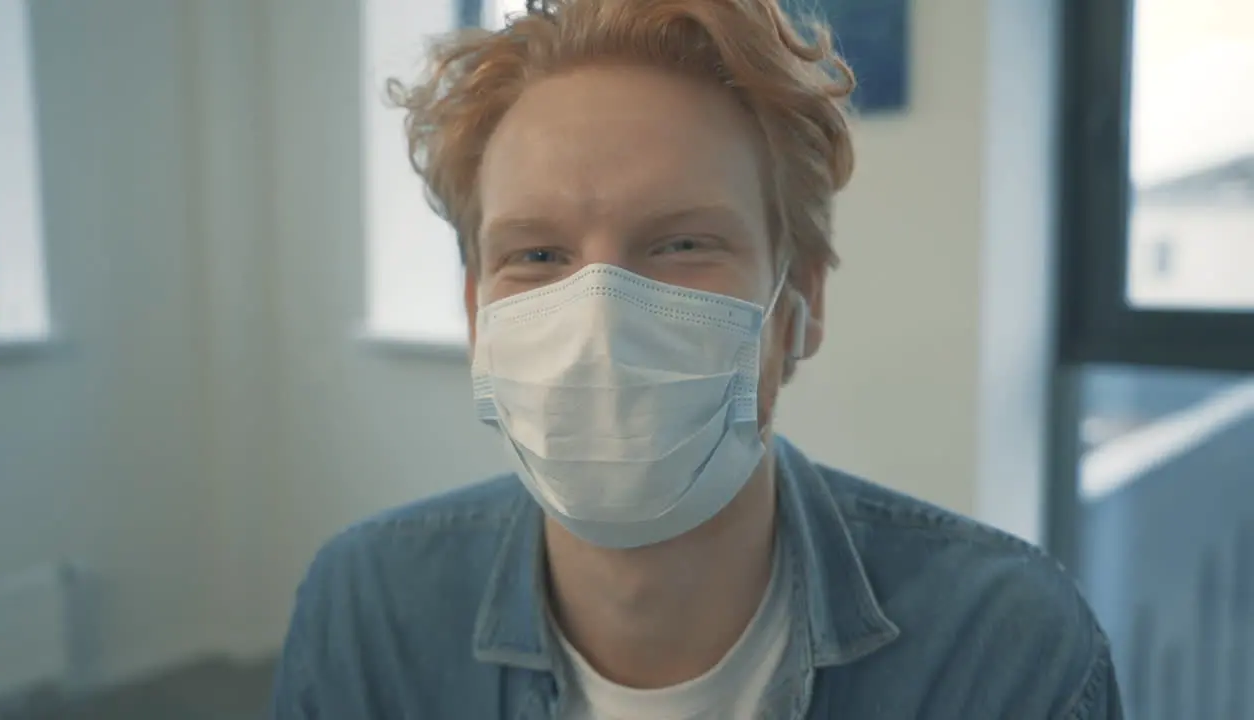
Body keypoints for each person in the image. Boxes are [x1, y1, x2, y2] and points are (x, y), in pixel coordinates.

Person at [270, 0, 1124, 717]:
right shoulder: (368, 612)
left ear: (802, 305)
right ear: (475, 314)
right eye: (536, 256)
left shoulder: (1003, 651)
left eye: (681, 243)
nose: (598, 320)